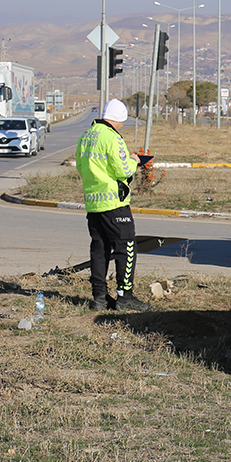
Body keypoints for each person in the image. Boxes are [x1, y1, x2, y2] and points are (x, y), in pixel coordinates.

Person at [76, 98, 148, 311]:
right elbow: (123, 170)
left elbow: (80, 166)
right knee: (126, 247)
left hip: (93, 203)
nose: (122, 126)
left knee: (99, 249)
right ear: (118, 119)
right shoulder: (113, 138)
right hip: (114, 203)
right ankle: (125, 297)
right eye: (122, 122)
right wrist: (134, 160)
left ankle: (99, 297)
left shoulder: (86, 136)